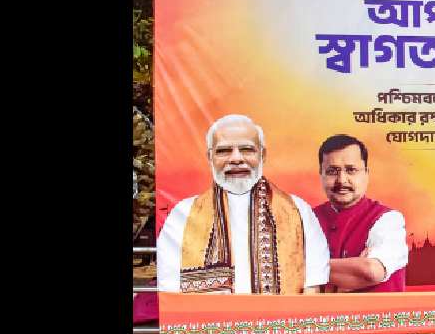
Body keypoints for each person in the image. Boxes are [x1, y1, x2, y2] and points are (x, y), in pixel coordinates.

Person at [157, 114, 329, 294]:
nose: (236, 159)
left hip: (279, 321)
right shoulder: (183, 215)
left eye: (247, 149)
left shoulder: (297, 210)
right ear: (210, 157)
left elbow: (312, 287)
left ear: (263, 155)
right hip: (211, 321)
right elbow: (170, 290)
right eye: (223, 151)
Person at [313, 134, 408, 292]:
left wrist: (302, 267)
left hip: (375, 316)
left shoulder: (388, 220)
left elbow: (370, 271)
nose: (342, 180)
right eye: (332, 171)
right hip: (319, 317)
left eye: (351, 170)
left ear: (366, 173)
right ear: (321, 175)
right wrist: (349, 271)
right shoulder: (305, 219)